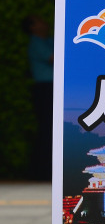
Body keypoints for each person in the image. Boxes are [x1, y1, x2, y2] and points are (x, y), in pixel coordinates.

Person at [22, 14, 54, 181]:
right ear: (32, 27)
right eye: (39, 20)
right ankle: (40, 171)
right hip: (45, 89)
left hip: (51, 88)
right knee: (46, 129)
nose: (44, 21)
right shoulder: (36, 43)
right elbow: (55, 58)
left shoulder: (48, 40)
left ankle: (46, 169)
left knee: (50, 130)